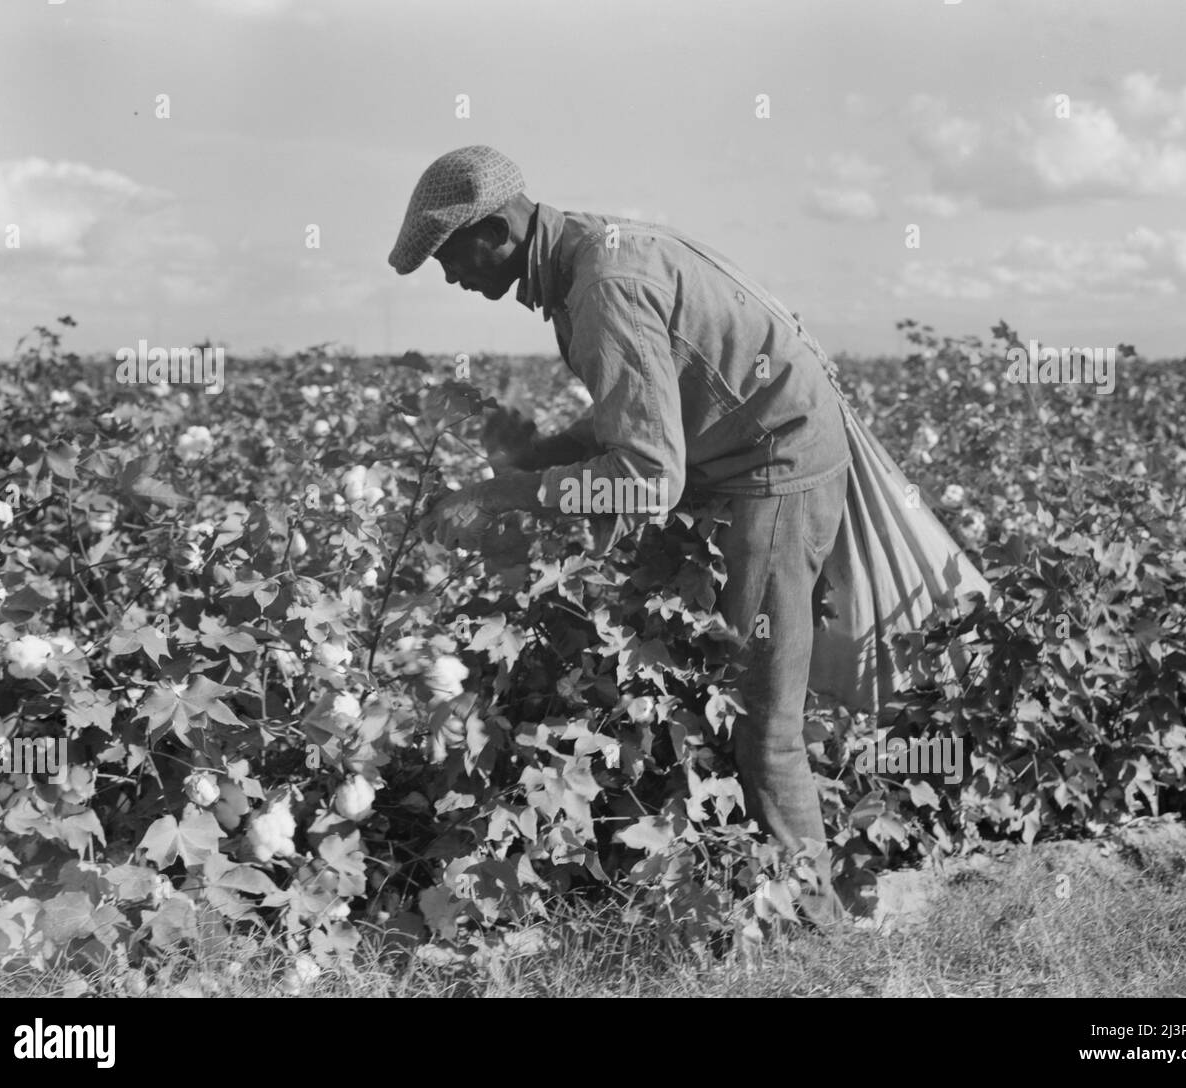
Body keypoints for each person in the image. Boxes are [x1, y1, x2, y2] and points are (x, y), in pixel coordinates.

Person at [389, 146, 982, 930]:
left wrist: (518, 492)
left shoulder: (603, 290)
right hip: (747, 453)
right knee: (742, 689)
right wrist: (537, 459)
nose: (451, 278)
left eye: (449, 258)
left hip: (777, 469)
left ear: (496, 230)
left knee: (764, 727)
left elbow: (645, 478)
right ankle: (753, 897)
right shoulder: (590, 255)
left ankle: (818, 936)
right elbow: (633, 419)